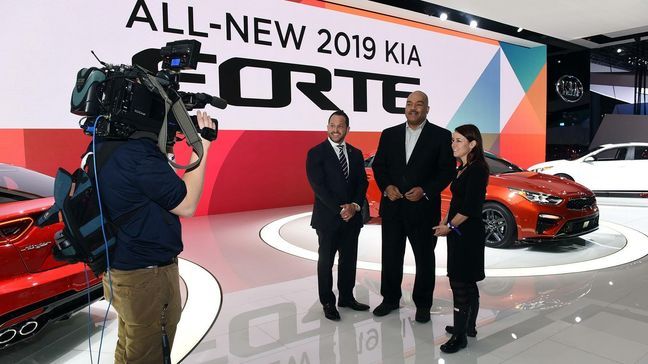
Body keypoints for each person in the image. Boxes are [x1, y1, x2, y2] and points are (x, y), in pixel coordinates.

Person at [99, 110, 215, 363]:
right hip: (146, 276)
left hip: (119, 267)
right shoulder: (139, 155)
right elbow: (186, 205)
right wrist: (202, 144)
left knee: (130, 342)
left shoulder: (103, 145)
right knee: (149, 352)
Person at [371, 90, 456, 323]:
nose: (413, 108)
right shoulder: (389, 134)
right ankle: (389, 299)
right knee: (390, 256)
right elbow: (379, 166)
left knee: (425, 259)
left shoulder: (441, 136)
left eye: (419, 104)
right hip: (394, 208)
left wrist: (425, 190)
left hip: (424, 210)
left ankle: (423, 304)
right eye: (409, 104)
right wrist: (386, 186)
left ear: (427, 109)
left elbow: (446, 171)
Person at [306, 110, 370, 321]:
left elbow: (363, 182)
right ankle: (327, 301)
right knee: (326, 262)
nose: (336, 129)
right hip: (328, 219)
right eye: (332, 125)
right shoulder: (316, 152)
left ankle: (346, 297)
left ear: (347, 129)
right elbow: (319, 186)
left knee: (348, 260)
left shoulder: (356, 153)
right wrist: (341, 209)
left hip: (352, 218)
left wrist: (353, 206)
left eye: (340, 126)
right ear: (327, 127)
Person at [433, 124, 489, 353]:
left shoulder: (477, 169)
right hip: (460, 232)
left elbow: (469, 208)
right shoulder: (464, 168)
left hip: (467, 234)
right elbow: (457, 203)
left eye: (458, 140)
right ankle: (468, 326)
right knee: (467, 281)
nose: (453, 144)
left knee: (459, 282)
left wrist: (449, 227)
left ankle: (459, 336)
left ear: (472, 144)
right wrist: (446, 223)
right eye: (453, 140)